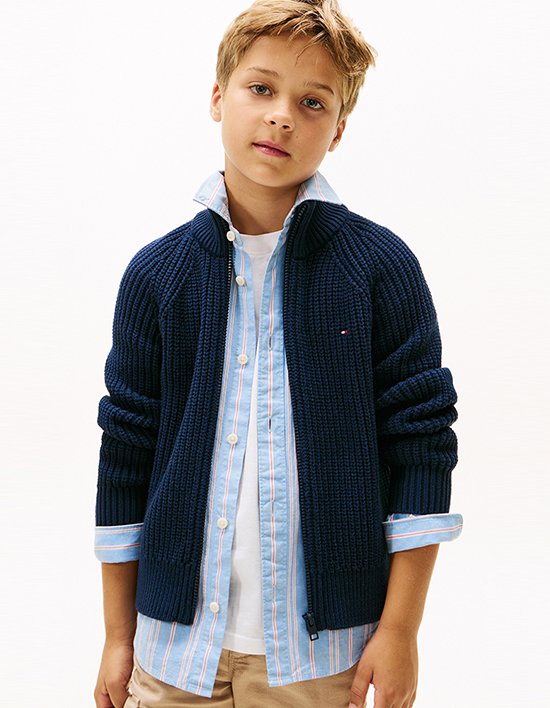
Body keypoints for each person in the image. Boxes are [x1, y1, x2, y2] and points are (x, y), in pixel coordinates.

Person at [93, 1, 463, 706]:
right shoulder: (155, 276)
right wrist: (118, 636)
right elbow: (125, 456)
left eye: (312, 102)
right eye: (260, 88)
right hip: (172, 654)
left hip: (322, 662)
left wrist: (401, 630)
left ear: (339, 129)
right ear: (217, 96)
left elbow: (422, 451)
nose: (281, 116)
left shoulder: (379, 270)